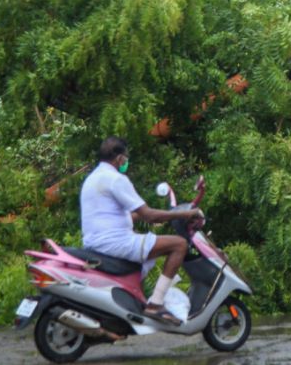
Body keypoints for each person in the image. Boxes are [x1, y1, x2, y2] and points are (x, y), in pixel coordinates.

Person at [81, 137, 203, 324]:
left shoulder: (93, 178)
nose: (126, 162)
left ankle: (135, 301)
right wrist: (183, 215)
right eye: (126, 158)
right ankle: (155, 304)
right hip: (115, 243)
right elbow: (149, 216)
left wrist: (164, 213)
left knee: (151, 245)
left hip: (97, 242)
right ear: (120, 158)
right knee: (179, 245)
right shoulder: (116, 179)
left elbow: (123, 216)